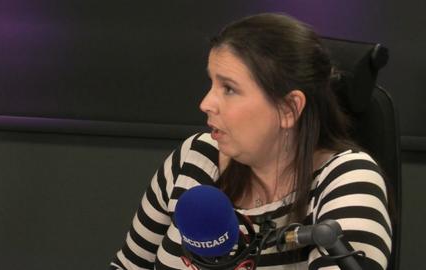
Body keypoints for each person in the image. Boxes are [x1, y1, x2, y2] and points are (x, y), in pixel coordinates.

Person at [110, 13, 392, 270]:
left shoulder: (348, 180)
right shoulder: (196, 157)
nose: (206, 103)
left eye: (229, 88)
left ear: (289, 109)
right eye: (212, 84)